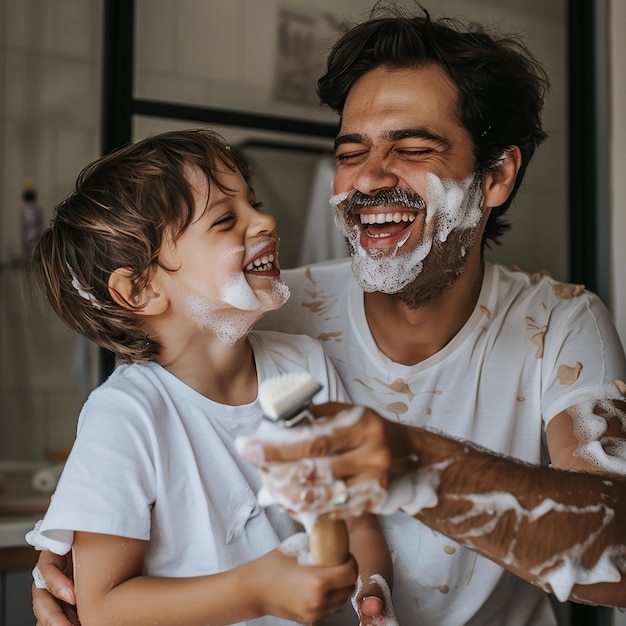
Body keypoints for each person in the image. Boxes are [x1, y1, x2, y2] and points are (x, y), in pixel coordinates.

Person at [32, 3, 626, 625]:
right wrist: (72, 566)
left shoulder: (561, 325)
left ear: (497, 174)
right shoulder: (262, 315)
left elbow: (617, 551)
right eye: (350, 153)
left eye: (413, 147)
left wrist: (415, 467)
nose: (369, 179)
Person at [25, 128, 393, 626]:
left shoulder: (302, 368)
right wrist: (255, 590)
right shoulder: (128, 417)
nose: (264, 219)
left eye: (254, 201)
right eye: (226, 218)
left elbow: (356, 519)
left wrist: (372, 595)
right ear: (139, 289)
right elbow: (102, 608)